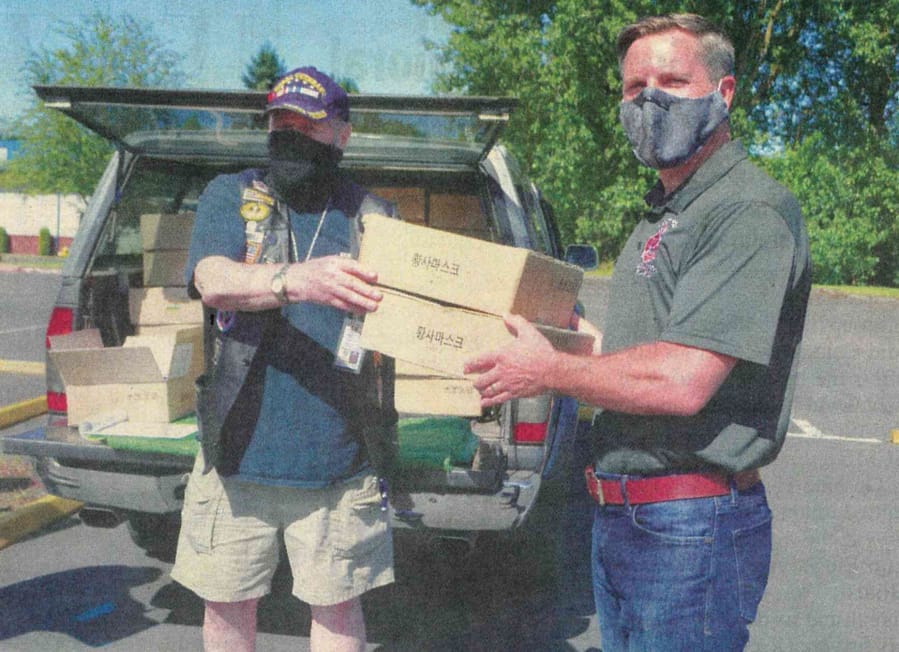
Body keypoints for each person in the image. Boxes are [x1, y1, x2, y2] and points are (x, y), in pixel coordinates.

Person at [464, 13, 810, 651]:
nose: (649, 99)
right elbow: (630, 358)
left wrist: (548, 370)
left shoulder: (745, 211)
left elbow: (682, 382)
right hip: (628, 517)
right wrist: (563, 334)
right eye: (634, 87)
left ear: (723, 94)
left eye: (673, 81)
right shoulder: (665, 213)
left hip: (690, 524)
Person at [170, 66, 398, 652]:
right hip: (236, 455)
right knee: (226, 608)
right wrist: (296, 280)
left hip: (338, 459)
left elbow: (417, 307)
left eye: (308, 124)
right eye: (279, 121)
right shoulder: (233, 193)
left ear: (341, 135)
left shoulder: (372, 215)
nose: (290, 134)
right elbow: (211, 278)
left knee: (337, 611)